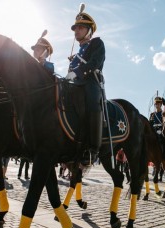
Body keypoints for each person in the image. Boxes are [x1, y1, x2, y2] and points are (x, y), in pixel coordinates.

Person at [65, 7, 105, 166]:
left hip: (90, 83)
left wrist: (78, 71)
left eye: (80, 27)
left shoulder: (97, 43)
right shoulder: (78, 51)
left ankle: (93, 149)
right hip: (73, 85)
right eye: (75, 28)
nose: (76, 30)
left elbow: (95, 62)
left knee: (92, 102)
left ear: (89, 30)